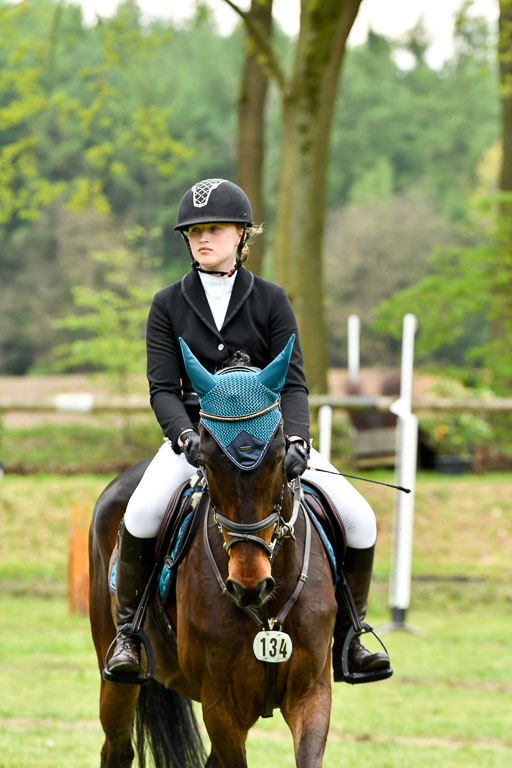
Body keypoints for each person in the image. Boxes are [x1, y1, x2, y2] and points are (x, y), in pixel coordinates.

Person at [107, 177, 390, 682]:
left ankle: (352, 637)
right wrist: (182, 436)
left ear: (242, 235)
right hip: (199, 441)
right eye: (193, 232)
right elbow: (162, 389)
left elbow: (296, 384)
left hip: (269, 441)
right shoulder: (167, 303)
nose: (202, 239)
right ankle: (128, 634)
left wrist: (298, 440)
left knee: (360, 516)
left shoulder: (272, 299)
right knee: (141, 513)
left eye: (214, 229)